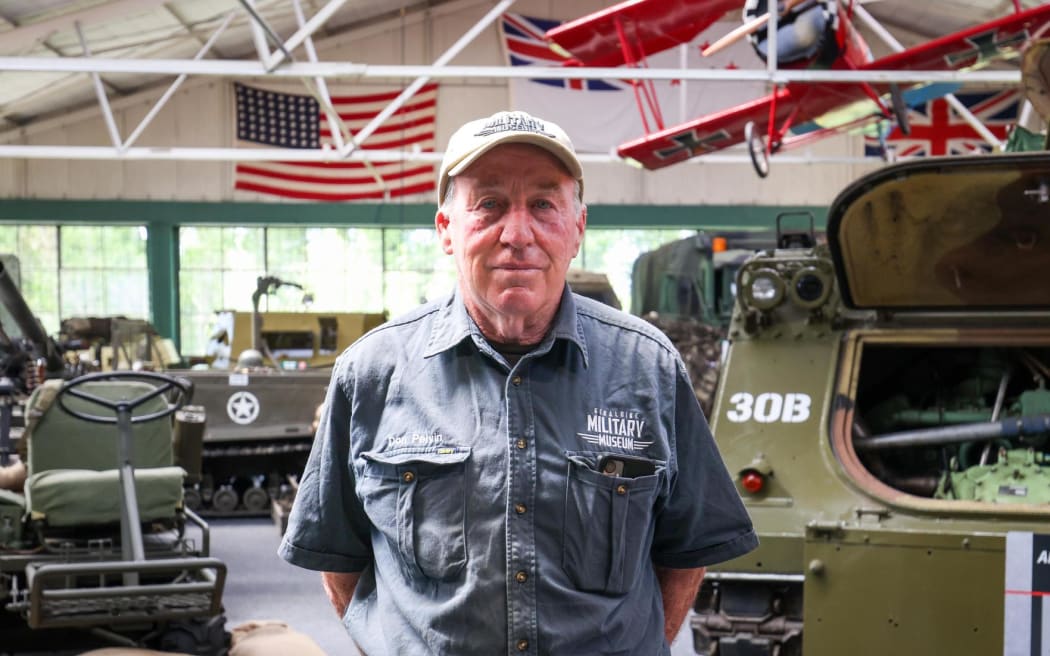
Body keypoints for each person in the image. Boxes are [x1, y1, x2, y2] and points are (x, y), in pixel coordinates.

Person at [278, 110, 758, 655]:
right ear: (446, 231)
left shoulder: (647, 369)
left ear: (577, 229)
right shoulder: (372, 374)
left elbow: (686, 550)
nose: (518, 233)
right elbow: (340, 562)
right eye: (489, 205)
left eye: (544, 205)